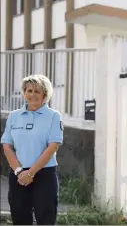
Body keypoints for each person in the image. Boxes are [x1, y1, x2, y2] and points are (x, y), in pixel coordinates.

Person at [1, 74, 63, 225]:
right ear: (24, 92)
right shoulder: (14, 116)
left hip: (44, 175)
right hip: (18, 175)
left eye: (37, 91)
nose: (32, 95)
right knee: (20, 219)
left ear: (45, 94)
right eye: (29, 91)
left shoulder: (53, 116)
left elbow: (53, 146)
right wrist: (19, 171)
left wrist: (31, 173)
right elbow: (7, 145)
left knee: (46, 219)